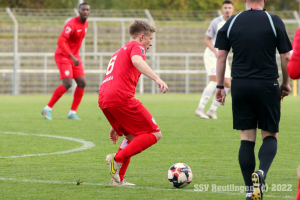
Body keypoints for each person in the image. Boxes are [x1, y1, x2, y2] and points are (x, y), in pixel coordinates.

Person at [214, 0, 292, 199]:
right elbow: (285, 56)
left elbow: (221, 57)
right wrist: (285, 82)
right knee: (270, 135)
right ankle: (262, 172)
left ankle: (250, 190)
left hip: (240, 85)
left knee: (246, 139)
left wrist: (220, 86)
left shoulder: (231, 22)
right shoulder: (273, 21)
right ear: (263, 0)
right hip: (267, 85)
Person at [98, 20, 168, 185]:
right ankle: (117, 158)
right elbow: (137, 61)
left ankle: (117, 180)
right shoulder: (137, 47)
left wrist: (116, 123)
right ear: (142, 37)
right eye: (150, 39)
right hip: (120, 97)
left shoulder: (118, 52)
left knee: (132, 137)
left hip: (105, 98)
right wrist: (157, 79)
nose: (150, 43)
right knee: (155, 134)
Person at [41, 3, 90, 120]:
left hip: (74, 56)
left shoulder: (86, 24)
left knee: (82, 82)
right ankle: (47, 109)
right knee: (67, 83)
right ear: (79, 11)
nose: (85, 12)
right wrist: (72, 56)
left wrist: (75, 56)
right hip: (63, 56)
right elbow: (60, 41)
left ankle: (72, 113)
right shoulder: (71, 24)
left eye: (87, 10)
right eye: (83, 10)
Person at [195, 0, 234, 119]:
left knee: (227, 84)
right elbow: (207, 39)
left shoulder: (234, 22)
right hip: (213, 55)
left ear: (232, 9)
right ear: (222, 9)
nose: (227, 10)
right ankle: (200, 108)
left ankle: (212, 109)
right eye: (225, 7)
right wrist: (215, 51)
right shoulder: (216, 22)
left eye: (229, 8)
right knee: (215, 81)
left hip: (223, 56)